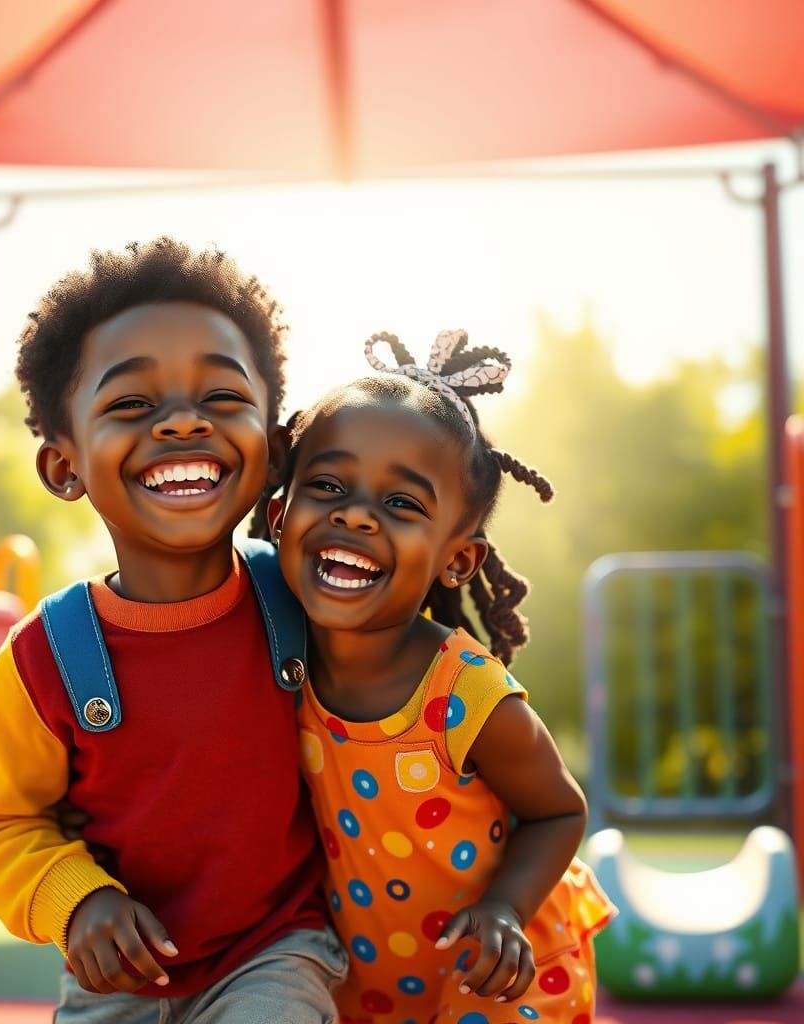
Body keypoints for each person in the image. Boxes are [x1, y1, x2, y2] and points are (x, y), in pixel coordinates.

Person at [0, 238, 347, 1022]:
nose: (182, 424)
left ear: (272, 449)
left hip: (276, 950)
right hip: (115, 978)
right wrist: (77, 901)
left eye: (223, 399)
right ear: (65, 467)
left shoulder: (306, 602)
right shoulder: (44, 660)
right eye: (132, 405)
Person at [259, 329, 615, 1023]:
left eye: (402, 504)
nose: (356, 513)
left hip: (503, 965)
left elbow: (559, 809)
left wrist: (506, 910)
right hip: (372, 968)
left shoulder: (466, 692)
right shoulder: (273, 657)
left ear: (458, 561)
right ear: (279, 516)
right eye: (328, 485)